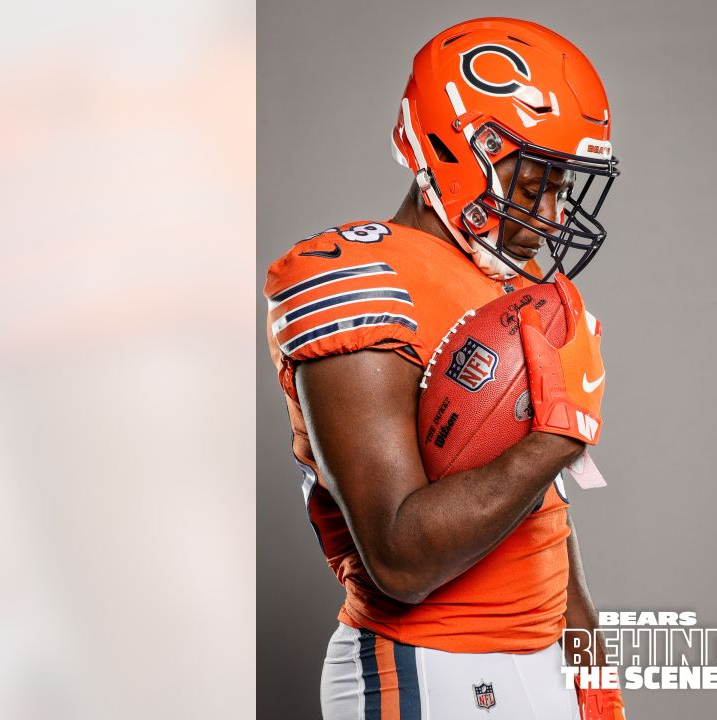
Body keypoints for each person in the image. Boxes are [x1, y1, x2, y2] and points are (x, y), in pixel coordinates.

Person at [264, 17, 624, 719]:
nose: (551, 209)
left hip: (537, 663)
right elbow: (401, 559)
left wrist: (594, 681)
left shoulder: (500, 287)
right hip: (432, 664)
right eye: (538, 180)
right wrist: (557, 437)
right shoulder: (364, 281)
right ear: (467, 150)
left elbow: (541, 515)